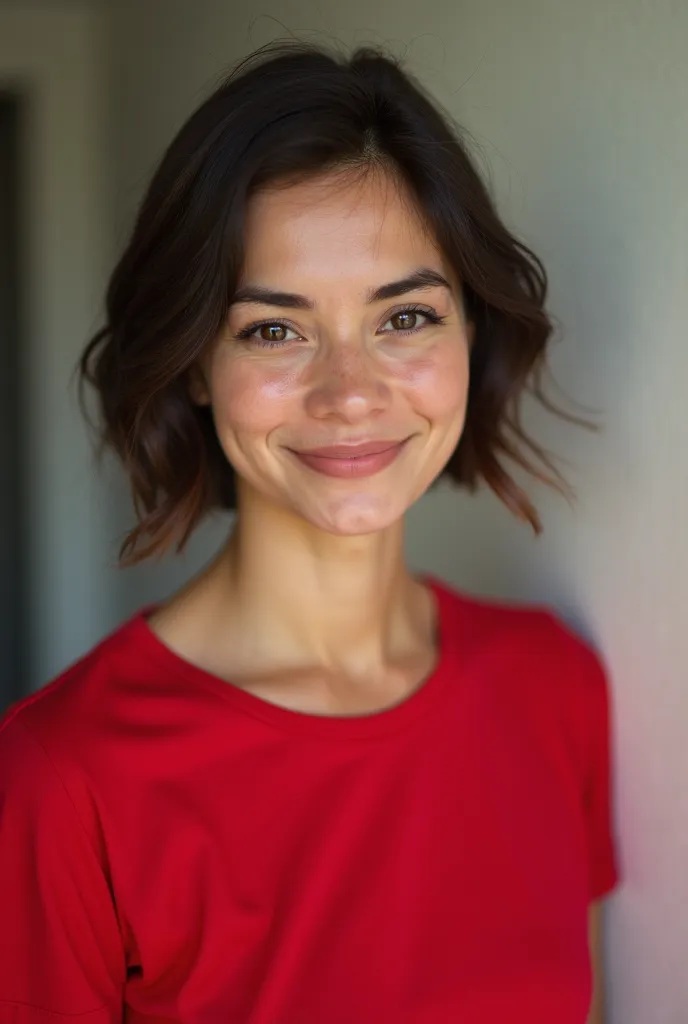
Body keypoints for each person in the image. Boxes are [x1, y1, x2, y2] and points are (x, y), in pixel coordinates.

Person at [0, 41, 617, 1024]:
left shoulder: (553, 688)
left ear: (471, 334)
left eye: (404, 316)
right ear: (196, 362)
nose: (350, 393)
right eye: (275, 329)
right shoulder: (61, 778)